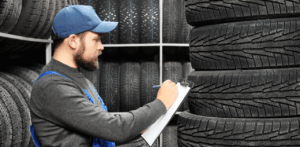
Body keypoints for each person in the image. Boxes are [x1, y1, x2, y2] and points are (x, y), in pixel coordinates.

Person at [29, 5, 178, 147]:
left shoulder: (75, 77)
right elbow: (116, 129)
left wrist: (138, 130)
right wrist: (161, 103)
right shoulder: (52, 87)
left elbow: (100, 131)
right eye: (96, 39)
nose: (101, 46)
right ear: (73, 41)